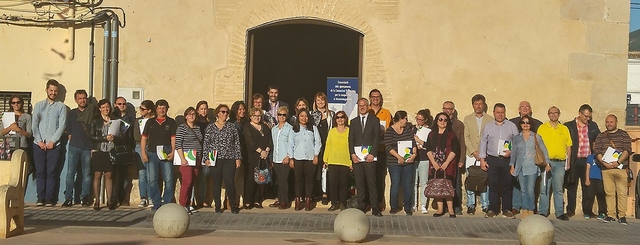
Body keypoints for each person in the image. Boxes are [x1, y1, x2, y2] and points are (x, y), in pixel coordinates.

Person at [32, 79, 67, 206]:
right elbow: (34, 125)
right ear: (46, 90)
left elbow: (62, 126)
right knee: (40, 172)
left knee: (52, 173)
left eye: (55, 91)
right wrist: (40, 141)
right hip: (38, 144)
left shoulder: (61, 107)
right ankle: (40, 198)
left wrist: (52, 141)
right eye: (51, 90)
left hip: (54, 145)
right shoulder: (39, 105)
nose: (53, 93)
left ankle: (49, 199)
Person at [479, 103, 518, 218]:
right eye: (498, 112)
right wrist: (482, 159)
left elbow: (516, 143)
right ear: (494, 113)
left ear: (505, 113)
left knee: (507, 185)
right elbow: (483, 143)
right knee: (493, 185)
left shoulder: (511, 126)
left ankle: (506, 209)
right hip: (492, 159)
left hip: (507, 160)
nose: (500, 115)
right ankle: (493, 209)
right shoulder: (488, 126)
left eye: (502, 112)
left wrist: (511, 152)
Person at [203, 104, 242, 214]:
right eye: (223, 112)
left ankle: (233, 205)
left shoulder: (231, 127)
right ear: (217, 113)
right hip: (215, 158)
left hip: (229, 158)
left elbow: (237, 144)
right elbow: (206, 144)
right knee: (216, 182)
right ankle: (218, 205)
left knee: (229, 181)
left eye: (226, 112)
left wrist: (238, 158)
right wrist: (206, 158)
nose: (225, 114)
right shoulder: (210, 127)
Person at [593, 114, 632, 225]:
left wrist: (618, 162)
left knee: (622, 193)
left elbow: (627, 150)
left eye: (611, 122)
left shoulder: (624, 134)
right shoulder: (601, 136)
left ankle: (622, 216)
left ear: (616, 122)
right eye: (607, 122)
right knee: (609, 193)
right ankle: (611, 215)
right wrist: (604, 162)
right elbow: (597, 152)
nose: (609, 124)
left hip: (621, 168)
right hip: (606, 169)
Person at [509, 115, 550, 219]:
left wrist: (547, 163)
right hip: (520, 167)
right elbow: (513, 153)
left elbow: (544, 150)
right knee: (523, 190)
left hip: (532, 167)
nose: (525, 124)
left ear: (531, 125)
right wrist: (512, 166)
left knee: (530, 190)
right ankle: (525, 210)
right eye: (523, 122)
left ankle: (531, 210)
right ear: (520, 124)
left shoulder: (536, 137)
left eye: (527, 122)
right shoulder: (516, 138)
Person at [140, 99, 177, 211]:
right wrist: (143, 153)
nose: (162, 110)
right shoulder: (150, 122)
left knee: (169, 179)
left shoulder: (171, 122)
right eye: (160, 108)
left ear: (167, 109)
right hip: (152, 153)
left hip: (166, 152)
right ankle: (156, 201)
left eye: (164, 108)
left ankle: (166, 201)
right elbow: (144, 138)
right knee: (152, 179)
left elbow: (173, 138)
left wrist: (173, 152)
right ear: (156, 109)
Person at [564, 104, 600, 218]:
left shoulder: (593, 126)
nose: (587, 119)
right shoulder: (569, 126)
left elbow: (598, 140)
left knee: (588, 187)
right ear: (580, 114)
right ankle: (570, 209)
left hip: (588, 160)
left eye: (589, 116)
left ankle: (588, 211)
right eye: (585, 116)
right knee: (571, 185)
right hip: (575, 160)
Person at [349, 98, 383, 217]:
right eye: (360, 106)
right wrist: (352, 154)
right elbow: (351, 139)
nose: (362, 107)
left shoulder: (374, 120)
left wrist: (372, 153)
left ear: (368, 106)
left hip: (370, 158)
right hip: (357, 158)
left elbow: (376, 138)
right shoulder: (353, 122)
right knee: (360, 183)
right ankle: (361, 206)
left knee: (372, 183)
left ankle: (375, 207)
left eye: (364, 105)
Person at [537, 106, 572, 220]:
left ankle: (560, 213)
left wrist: (568, 162)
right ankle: (543, 212)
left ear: (559, 114)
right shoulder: (542, 128)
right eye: (551, 113)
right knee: (544, 188)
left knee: (558, 189)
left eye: (555, 113)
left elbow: (569, 146)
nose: (553, 115)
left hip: (560, 163)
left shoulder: (564, 129)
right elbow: (538, 146)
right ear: (548, 114)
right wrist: (543, 162)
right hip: (547, 163)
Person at [425, 113, 461, 218]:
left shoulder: (452, 135)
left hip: (448, 164)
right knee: (437, 185)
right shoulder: (431, 134)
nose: (442, 121)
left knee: (447, 186)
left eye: (445, 120)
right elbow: (428, 149)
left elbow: (455, 150)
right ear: (436, 121)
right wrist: (434, 163)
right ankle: (440, 209)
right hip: (434, 164)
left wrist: (446, 163)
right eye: (440, 119)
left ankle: (451, 209)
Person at [462, 94, 492, 215]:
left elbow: (491, 138)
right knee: (471, 179)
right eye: (476, 104)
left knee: (485, 179)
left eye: (480, 103)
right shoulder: (467, 119)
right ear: (473, 105)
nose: (478, 106)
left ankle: (485, 204)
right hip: (471, 154)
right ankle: (470, 204)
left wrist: (483, 153)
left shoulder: (490, 119)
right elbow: (466, 136)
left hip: (485, 155)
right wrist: (474, 151)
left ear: (483, 105)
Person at [61, 90, 92, 207]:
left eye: (84, 98)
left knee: (87, 174)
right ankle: (68, 198)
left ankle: (85, 197)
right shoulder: (72, 113)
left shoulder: (91, 112)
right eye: (80, 98)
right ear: (76, 100)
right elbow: (67, 128)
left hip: (87, 147)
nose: (82, 100)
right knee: (70, 173)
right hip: (74, 146)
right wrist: (70, 136)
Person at [384, 111, 417, 216]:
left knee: (407, 185)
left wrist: (414, 155)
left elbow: (413, 143)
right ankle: (394, 206)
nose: (406, 121)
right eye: (405, 119)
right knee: (396, 184)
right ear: (400, 119)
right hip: (394, 162)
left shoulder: (407, 130)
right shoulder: (389, 131)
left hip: (408, 162)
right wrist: (399, 157)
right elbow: (388, 147)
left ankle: (407, 207)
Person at [89, 99, 119, 210]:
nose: (105, 109)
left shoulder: (114, 120)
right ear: (99, 109)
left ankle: (110, 200)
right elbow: (92, 136)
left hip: (110, 151)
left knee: (109, 175)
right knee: (97, 175)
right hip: (98, 150)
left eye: (107, 107)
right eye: (103, 107)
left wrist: (114, 137)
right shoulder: (95, 121)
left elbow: (119, 134)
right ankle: (97, 200)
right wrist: (104, 138)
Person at [289, 108, 321, 211]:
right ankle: (298, 200)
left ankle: (307, 200)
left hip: (310, 158)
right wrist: (291, 158)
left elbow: (318, 142)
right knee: (298, 181)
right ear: (298, 117)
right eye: (301, 116)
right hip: (297, 158)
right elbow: (290, 145)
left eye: (306, 116)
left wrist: (316, 155)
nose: (304, 118)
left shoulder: (313, 128)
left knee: (309, 181)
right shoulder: (293, 129)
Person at [243, 107, 273, 209]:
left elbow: (270, 139)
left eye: (259, 116)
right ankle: (248, 201)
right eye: (255, 116)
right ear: (251, 117)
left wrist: (267, 151)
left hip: (264, 157)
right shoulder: (247, 127)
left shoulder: (265, 127)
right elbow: (249, 141)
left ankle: (257, 200)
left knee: (260, 178)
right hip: (253, 156)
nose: (257, 118)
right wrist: (260, 151)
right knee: (251, 179)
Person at [176, 107, 203, 215]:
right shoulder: (182, 128)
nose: (192, 116)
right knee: (187, 181)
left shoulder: (197, 128)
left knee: (192, 181)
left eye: (193, 114)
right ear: (186, 116)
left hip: (197, 158)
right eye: (189, 114)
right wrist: (182, 158)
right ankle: (182, 205)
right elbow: (178, 143)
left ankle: (188, 204)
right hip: (186, 158)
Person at [324, 110, 351, 211]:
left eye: (342, 117)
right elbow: (328, 145)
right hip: (333, 161)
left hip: (345, 161)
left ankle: (343, 203)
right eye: (338, 117)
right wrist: (325, 159)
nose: (340, 119)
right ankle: (334, 203)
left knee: (343, 184)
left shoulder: (349, 131)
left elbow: (351, 146)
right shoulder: (332, 131)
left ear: (345, 119)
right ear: (335, 120)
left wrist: (351, 162)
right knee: (333, 184)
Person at [311, 92, 335, 205]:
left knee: (325, 169)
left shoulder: (332, 115)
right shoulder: (311, 115)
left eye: (322, 100)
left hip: (327, 145)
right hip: (315, 145)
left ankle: (325, 193)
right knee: (314, 170)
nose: (320, 102)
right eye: (318, 100)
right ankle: (314, 193)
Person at [369, 89, 391, 212]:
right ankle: (368, 202)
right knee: (368, 177)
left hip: (381, 149)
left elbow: (388, 130)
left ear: (380, 98)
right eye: (373, 97)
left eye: (377, 97)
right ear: (370, 98)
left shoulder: (386, 113)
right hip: (367, 150)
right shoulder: (366, 111)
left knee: (379, 177)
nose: (375, 99)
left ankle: (378, 202)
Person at [442, 101, 466, 215]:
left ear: (453, 110)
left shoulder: (459, 125)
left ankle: (456, 206)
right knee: (442, 182)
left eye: (449, 109)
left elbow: (462, 143)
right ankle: (443, 207)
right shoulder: (439, 122)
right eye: (445, 108)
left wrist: (461, 160)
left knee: (455, 183)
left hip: (454, 158)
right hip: (442, 158)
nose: (447, 110)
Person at [112, 96, 136, 206]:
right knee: (112, 174)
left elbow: (132, 134)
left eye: (124, 104)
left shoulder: (131, 118)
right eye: (119, 104)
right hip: (113, 148)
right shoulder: (112, 116)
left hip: (126, 148)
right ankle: (113, 198)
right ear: (115, 105)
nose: (122, 106)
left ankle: (122, 198)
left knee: (124, 175)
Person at [271, 106, 294, 209]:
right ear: (277, 115)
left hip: (285, 158)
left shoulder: (290, 128)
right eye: (280, 114)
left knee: (284, 180)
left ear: (287, 116)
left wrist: (288, 156)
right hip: (276, 158)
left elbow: (291, 144)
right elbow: (273, 144)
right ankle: (279, 199)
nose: (282, 117)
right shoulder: (274, 129)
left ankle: (284, 201)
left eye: (284, 115)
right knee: (278, 180)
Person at [1, 95, 32, 170]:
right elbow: (1, 132)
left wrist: (18, 130)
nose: (16, 104)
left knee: (21, 169)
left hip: (22, 145)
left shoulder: (27, 117)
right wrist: (10, 128)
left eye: (18, 102)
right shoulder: (5, 116)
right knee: (9, 168)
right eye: (13, 103)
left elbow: (29, 134)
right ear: (11, 104)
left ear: (21, 103)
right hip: (9, 146)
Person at [133, 100, 155, 208]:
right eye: (140, 108)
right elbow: (136, 136)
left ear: (149, 110)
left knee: (151, 174)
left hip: (151, 146)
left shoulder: (154, 121)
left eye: (143, 109)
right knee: (142, 173)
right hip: (139, 146)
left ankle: (151, 197)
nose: (140, 111)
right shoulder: (138, 121)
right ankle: (143, 197)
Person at [413, 109, 433, 214]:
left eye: (421, 120)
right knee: (414, 182)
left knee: (424, 183)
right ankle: (414, 204)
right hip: (414, 158)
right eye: (417, 119)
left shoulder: (429, 132)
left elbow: (430, 146)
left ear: (425, 120)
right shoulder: (413, 129)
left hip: (424, 158)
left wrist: (419, 142)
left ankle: (423, 205)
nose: (419, 122)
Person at [229, 100, 247, 209]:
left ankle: (237, 199)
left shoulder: (244, 123)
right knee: (233, 178)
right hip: (235, 155)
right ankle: (229, 199)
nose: (242, 111)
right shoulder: (232, 123)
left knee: (240, 179)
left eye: (243, 109)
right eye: (240, 109)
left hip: (244, 153)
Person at [195, 100, 213, 209]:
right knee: (194, 176)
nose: (204, 111)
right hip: (195, 152)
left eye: (205, 108)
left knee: (205, 175)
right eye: (201, 108)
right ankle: (194, 200)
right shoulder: (195, 123)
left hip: (207, 153)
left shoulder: (210, 124)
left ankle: (203, 200)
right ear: (198, 110)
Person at [584, 155, 607, 221]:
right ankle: (587, 212)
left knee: (601, 196)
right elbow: (588, 168)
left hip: (600, 179)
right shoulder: (591, 157)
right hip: (591, 178)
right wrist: (587, 179)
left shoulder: (604, 157)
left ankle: (602, 212)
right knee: (589, 196)